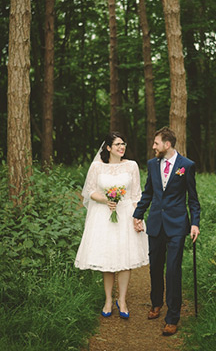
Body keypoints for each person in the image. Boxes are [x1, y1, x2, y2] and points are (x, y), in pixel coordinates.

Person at [133, 126, 200, 336]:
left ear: (167, 144)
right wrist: (138, 214)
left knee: (172, 270)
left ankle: (172, 317)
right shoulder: (152, 164)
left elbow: (193, 199)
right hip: (155, 224)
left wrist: (195, 223)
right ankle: (156, 303)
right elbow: (148, 193)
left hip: (177, 226)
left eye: (156, 143)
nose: (153, 147)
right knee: (155, 267)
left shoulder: (186, 166)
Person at [75, 132, 149, 319]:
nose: (121, 147)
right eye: (117, 144)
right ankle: (108, 299)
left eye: (123, 144)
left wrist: (137, 217)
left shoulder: (131, 166)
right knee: (107, 259)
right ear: (108, 148)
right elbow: (90, 191)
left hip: (125, 214)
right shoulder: (96, 167)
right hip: (103, 215)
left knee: (125, 258)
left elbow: (136, 194)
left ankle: (122, 299)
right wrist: (105, 199)